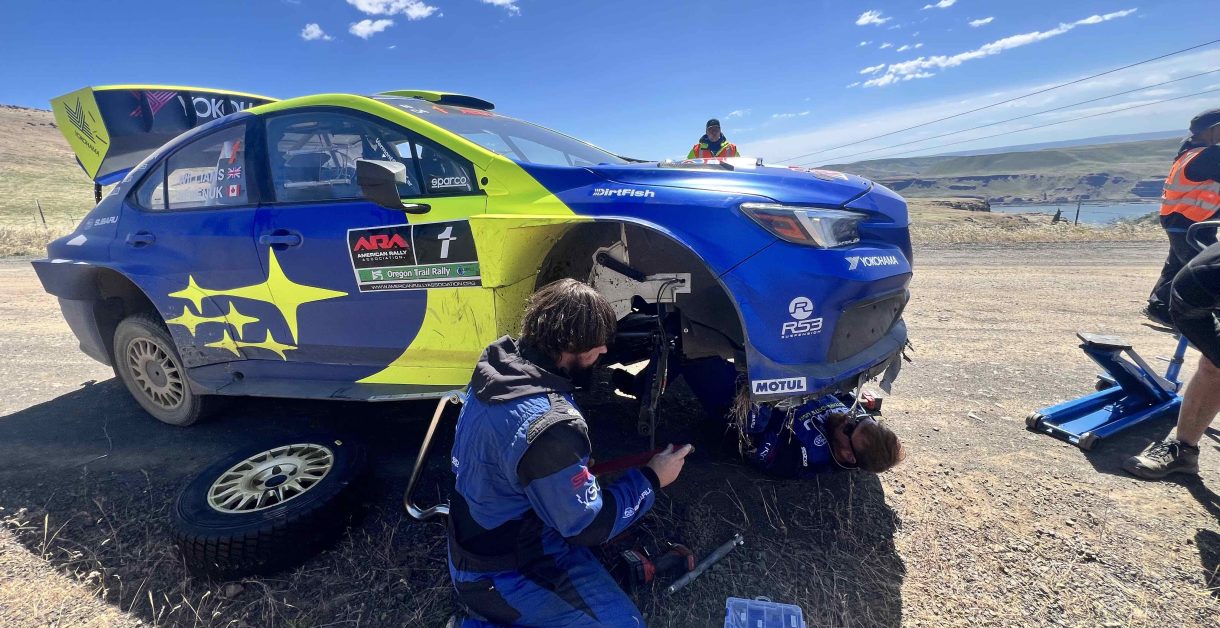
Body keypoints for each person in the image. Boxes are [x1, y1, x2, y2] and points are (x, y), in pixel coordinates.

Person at [446, 278, 694, 627]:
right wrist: (652, 479)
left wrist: (564, 469)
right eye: (597, 343)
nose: (604, 349)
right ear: (569, 346)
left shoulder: (502, 369)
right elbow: (588, 527)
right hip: (503, 573)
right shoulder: (549, 429)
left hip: (485, 539)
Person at [1124, 240, 1220, 479]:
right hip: (1192, 300)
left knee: (1213, 364)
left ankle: (1184, 451)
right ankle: (1184, 451)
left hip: (1199, 289)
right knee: (1213, 365)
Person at [1144, 108, 1220, 327]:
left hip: (1180, 219)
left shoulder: (1190, 153)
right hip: (1190, 221)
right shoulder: (1208, 155)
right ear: (1211, 130)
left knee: (1177, 264)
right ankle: (1191, 315)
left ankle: (1159, 307)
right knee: (1203, 268)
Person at [749, 394, 906, 477]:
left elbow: (751, 440)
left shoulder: (799, 457)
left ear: (848, 455)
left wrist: (764, 401)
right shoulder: (854, 424)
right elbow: (845, 394)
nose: (848, 418)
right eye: (859, 418)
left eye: (849, 428)